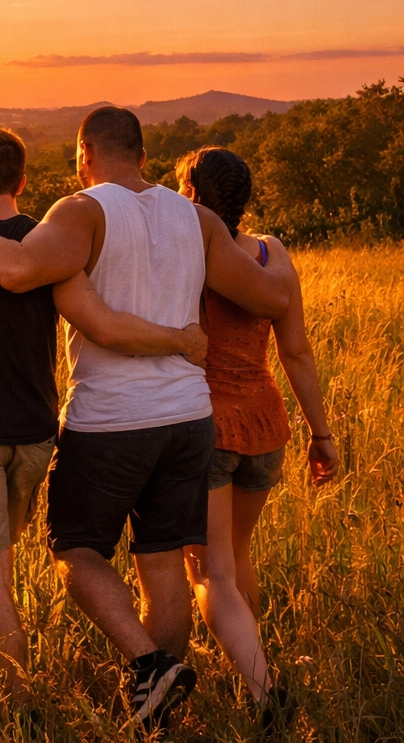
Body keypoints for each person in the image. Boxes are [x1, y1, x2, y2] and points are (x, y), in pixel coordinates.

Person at [0, 107, 291, 729]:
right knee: (162, 559)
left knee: (75, 550)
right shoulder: (198, 217)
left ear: (84, 153)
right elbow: (270, 297)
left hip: (111, 420)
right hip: (189, 417)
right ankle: (159, 703)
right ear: (146, 157)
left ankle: (151, 665)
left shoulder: (83, 210)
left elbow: (16, 269)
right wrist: (274, 266)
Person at [175, 147, 338, 729]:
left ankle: (264, 691)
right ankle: (253, 660)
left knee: (208, 571)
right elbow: (295, 350)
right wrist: (322, 434)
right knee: (236, 556)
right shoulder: (272, 253)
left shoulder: (187, 250)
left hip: (207, 425)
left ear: (192, 192)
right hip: (268, 425)